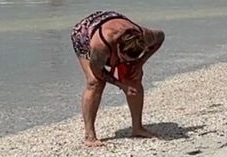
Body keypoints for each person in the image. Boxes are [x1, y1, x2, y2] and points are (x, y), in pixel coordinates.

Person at [70, 11, 166, 147]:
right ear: (118, 48)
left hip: (112, 21)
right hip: (85, 32)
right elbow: (97, 71)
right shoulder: (100, 45)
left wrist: (139, 63)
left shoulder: (145, 36)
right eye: (122, 58)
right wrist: (121, 85)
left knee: (134, 76)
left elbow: (161, 37)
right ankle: (89, 135)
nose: (123, 62)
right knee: (95, 83)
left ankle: (137, 128)